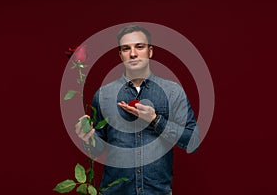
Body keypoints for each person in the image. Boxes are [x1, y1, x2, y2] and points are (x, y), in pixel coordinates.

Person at [75, 25, 200, 195]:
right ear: (120, 55)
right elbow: (97, 149)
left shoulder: (172, 92)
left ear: (150, 51)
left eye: (139, 47)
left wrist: (155, 120)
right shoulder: (104, 95)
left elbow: (193, 141)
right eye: (126, 48)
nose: (133, 54)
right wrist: (87, 138)